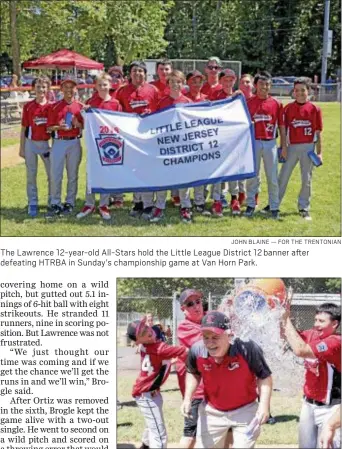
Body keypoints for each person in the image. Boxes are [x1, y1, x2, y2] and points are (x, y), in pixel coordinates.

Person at [181, 311, 272, 448]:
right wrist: (188, 398)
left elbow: (264, 377)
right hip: (212, 411)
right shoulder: (197, 350)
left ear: (228, 335)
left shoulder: (247, 349)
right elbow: (193, 372)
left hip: (245, 410)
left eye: (215, 337)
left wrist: (264, 405)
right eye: (206, 337)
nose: (210, 343)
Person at [282, 302, 341, 449]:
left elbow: (300, 350)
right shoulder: (312, 335)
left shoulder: (336, 342)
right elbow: (287, 335)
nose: (316, 324)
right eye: (315, 320)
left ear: (334, 324)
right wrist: (279, 310)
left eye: (321, 321)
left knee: (326, 445)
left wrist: (286, 318)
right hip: (308, 405)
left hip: (331, 408)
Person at [127, 317, 187, 449]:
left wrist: (171, 362)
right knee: (159, 435)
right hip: (146, 395)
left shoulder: (147, 346)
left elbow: (158, 361)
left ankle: (145, 445)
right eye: (142, 333)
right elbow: (185, 351)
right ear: (137, 341)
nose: (147, 331)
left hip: (148, 392)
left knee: (152, 424)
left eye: (146, 327)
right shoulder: (159, 348)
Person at [116, 61, 159, 220]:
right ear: (130, 74)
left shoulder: (153, 90)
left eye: (141, 71)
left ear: (145, 73)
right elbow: (114, 110)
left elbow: (162, 112)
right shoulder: (122, 91)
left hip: (148, 137)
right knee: (134, 170)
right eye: (134, 71)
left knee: (147, 170)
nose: (138, 74)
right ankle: (137, 202)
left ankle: (148, 204)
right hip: (130, 137)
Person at [76, 72, 122, 221]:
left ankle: (103, 204)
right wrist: (83, 114)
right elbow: (81, 120)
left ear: (110, 86)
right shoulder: (91, 102)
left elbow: (121, 124)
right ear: (95, 86)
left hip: (110, 144)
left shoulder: (115, 104)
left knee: (106, 173)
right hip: (94, 142)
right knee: (91, 172)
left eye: (105, 84)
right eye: (100, 85)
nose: (102, 87)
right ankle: (89, 203)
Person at [149, 70, 193, 224]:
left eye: (178, 81)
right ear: (167, 84)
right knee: (162, 177)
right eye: (172, 82)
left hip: (182, 147)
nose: (175, 84)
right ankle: (159, 206)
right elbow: (154, 124)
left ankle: (185, 206)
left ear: (183, 84)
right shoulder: (162, 102)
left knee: (183, 179)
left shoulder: (188, 103)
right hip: (166, 147)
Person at [278, 77, 323, 221]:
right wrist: (283, 147)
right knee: (283, 176)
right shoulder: (288, 108)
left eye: (303, 90)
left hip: (308, 147)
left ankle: (304, 207)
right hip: (291, 147)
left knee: (306, 179)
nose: (299, 93)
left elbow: (317, 132)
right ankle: (274, 204)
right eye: (296, 90)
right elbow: (284, 131)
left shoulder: (315, 109)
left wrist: (320, 152)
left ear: (308, 91)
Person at [244, 71, 286, 220]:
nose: (265, 87)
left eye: (267, 84)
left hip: (270, 143)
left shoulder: (276, 103)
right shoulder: (248, 102)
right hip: (254, 142)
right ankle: (250, 204)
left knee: (272, 176)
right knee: (252, 175)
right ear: (255, 85)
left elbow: (281, 125)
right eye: (261, 84)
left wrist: (284, 146)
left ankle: (274, 206)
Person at [46, 77, 84, 218]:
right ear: (61, 89)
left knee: (72, 174)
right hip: (59, 141)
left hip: (74, 142)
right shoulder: (55, 106)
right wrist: (59, 127)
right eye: (65, 87)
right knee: (56, 174)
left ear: (75, 89)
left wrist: (78, 124)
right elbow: (48, 127)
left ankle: (70, 202)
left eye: (71, 87)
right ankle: (55, 202)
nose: (69, 90)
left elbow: (86, 126)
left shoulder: (80, 106)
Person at [211, 69, 244, 217]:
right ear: (221, 80)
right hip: (219, 139)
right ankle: (217, 200)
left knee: (233, 170)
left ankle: (234, 198)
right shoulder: (215, 95)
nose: (228, 82)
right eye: (225, 80)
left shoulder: (239, 96)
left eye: (231, 80)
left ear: (234, 80)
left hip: (235, 139)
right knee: (218, 170)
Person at [19, 76, 53, 217]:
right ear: (34, 88)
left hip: (46, 144)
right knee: (31, 175)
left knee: (52, 175)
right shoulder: (28, 106)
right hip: (31, 144)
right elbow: (24, 128)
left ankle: (52, 201)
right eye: (38, 87)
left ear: (48, 89)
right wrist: (22, 148)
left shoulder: (51, 106)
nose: (41, 89)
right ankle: (33, 203)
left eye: (44, 87)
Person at [177, 289, 206, 449]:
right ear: (183, 309)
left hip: (214, 389)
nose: (196, 306)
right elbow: (208, 344)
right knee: (190, 436)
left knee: (226, 435)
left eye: (198, 301)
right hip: (197, 391)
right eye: (190, 304)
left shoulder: (208, 317)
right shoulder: (185, 327)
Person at [150, 59, 180, 208]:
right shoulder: (152, 87)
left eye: (167, 69)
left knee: (176, 163)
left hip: (177, 133)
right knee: (160, 165)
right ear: (157, 71)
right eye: (161, 69)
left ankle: (176, 195)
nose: (164, 72)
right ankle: (158, 196)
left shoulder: (178, 86)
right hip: (160, 133)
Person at [185, 71, 211, 217]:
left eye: (199, 81)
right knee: (187, 173)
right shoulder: (183, 100)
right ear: (188, 83)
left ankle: (200, 201)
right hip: (186, 142)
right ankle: (186, 203)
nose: (196, 84)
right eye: (193, 81)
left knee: (201, 173)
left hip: (201, 142)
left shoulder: (207, 100)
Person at [237, 74, 258, 207]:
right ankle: (241, 194)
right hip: (239, 140)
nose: (245, 85)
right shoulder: (236, 100)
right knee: (239, 168)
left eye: (248, 82)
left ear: (253, 85)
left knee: (255, 169)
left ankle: (254, 195)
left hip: (255, 139)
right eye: (243, 82)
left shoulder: (257, 100)